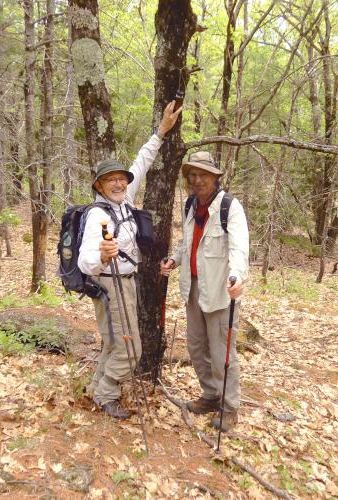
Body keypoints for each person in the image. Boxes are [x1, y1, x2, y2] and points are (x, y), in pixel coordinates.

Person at [78, 102, 181, 420]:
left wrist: (161, 132)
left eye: (121, 179)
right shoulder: (97, 214)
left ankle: (96, 389)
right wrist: (101, 255)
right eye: (111, 180)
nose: (119, 183)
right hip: (110, 284)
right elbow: (84, 261)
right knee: (130, 348)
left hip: (128, 280)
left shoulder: (125, 199)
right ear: (99, 186)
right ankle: (107, 394)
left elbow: (143, 160)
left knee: (113, 342)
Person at [161, 151, 249, 431]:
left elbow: (239, 246)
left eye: (203, 175)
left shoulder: (229, 207)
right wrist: (174, 259)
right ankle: (210, 395)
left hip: (221, 290)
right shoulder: (190, 205)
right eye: (192, 176)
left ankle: (229, 407)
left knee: (222, 350)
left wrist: (237, 275)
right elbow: (188, 243)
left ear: (214, 177)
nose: (197, 180)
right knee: (197, 347)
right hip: (193, 288)